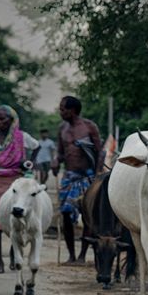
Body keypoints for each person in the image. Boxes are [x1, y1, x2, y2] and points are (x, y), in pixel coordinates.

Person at [0, 105, 39, 273]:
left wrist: (29, 162)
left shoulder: (21, 137)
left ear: (12, 120)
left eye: (2, 119)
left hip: (16, 184)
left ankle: (15, 257)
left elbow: (36, 147)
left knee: (16, 223)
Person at [53, 95, 102, 265]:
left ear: (72, 110)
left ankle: (82, 255)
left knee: (87, 215)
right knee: (66, 213)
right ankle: (71, 255)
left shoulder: (89, 127)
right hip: (69, 176)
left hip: (87, 176)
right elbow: (60, 153)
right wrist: (55, 161)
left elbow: (99, 152)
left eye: (63, 109)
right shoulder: (62, 129)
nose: (61, 112)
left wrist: (96, 176)